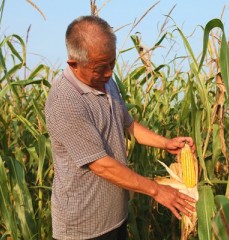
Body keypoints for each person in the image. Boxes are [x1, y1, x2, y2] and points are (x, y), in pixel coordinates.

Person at [45, 15, 196, 240]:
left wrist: (165, 143)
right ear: (73, 64)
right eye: (99, 68)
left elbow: (127, 123)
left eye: (112, 63)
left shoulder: (107, 83)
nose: (108, 73)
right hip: (83, 227)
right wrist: (157, 190)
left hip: (115, 217)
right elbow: (101, 165)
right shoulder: (65, 100)